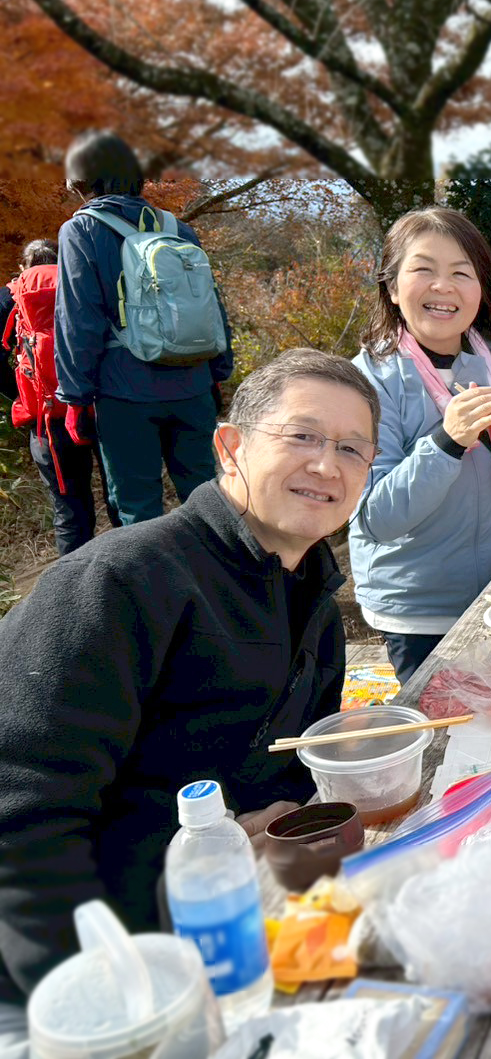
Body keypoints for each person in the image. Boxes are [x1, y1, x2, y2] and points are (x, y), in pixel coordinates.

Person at [0, 348, 378, 1031]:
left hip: (224, 943)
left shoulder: (311, 594)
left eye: (353, 449)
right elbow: (21, 814)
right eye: (303, 437)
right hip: (80, 986)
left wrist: (261, 827)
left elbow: (276, 777)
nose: (328, 465)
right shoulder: (123, 580)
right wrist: (104, 1009)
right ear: (230, 447)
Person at [350, 207, 491, 686]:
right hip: (420, 610)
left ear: (481, 289)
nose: (443, 287)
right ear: (392, 288)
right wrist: (446, 440)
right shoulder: (368, 380)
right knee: (449, 742)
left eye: (461, 273)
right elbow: (378, 517)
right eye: (423, 270)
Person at [53, 131, 233, 526]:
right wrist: (217, 372)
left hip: (124, 392)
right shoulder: (177, 228)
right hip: (193, 384)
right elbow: (211, 304)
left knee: (138, 511)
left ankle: (160, 589)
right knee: (211, 499)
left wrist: (75, 396)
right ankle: (225, 583)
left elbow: (77, 318)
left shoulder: (81, 230)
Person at [3, 240, 119, 554]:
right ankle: (135, 576)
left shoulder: (12, 295)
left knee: (70, 511)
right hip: (100, 406)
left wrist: (18, 392)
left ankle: (77, 592)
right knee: (120, 497)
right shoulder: (82, 281)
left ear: (22, 268)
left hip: (47, 417)